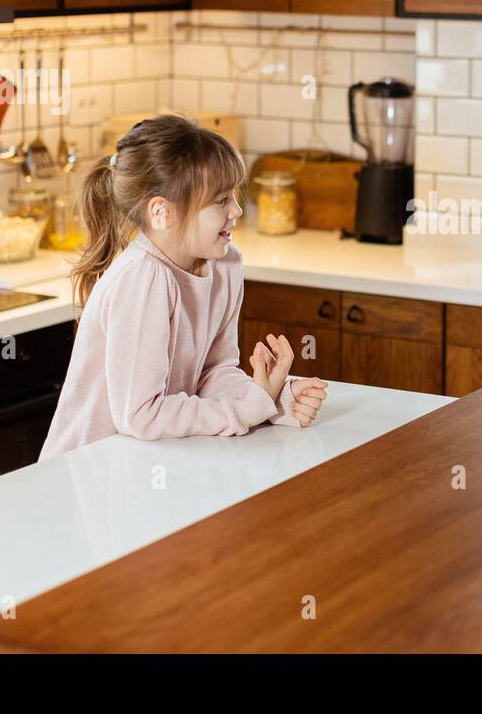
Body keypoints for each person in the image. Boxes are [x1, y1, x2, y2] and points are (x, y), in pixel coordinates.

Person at [39, 115, 328, 460]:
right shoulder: (144, 278)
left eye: (234, 194)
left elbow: (212, 375)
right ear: (161, 212)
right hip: (90, 477)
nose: (236, 210)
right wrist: (249, 409)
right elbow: (141, 415)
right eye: (220, 200)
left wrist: (272, 398)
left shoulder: (225, 264)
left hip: (146, 463)